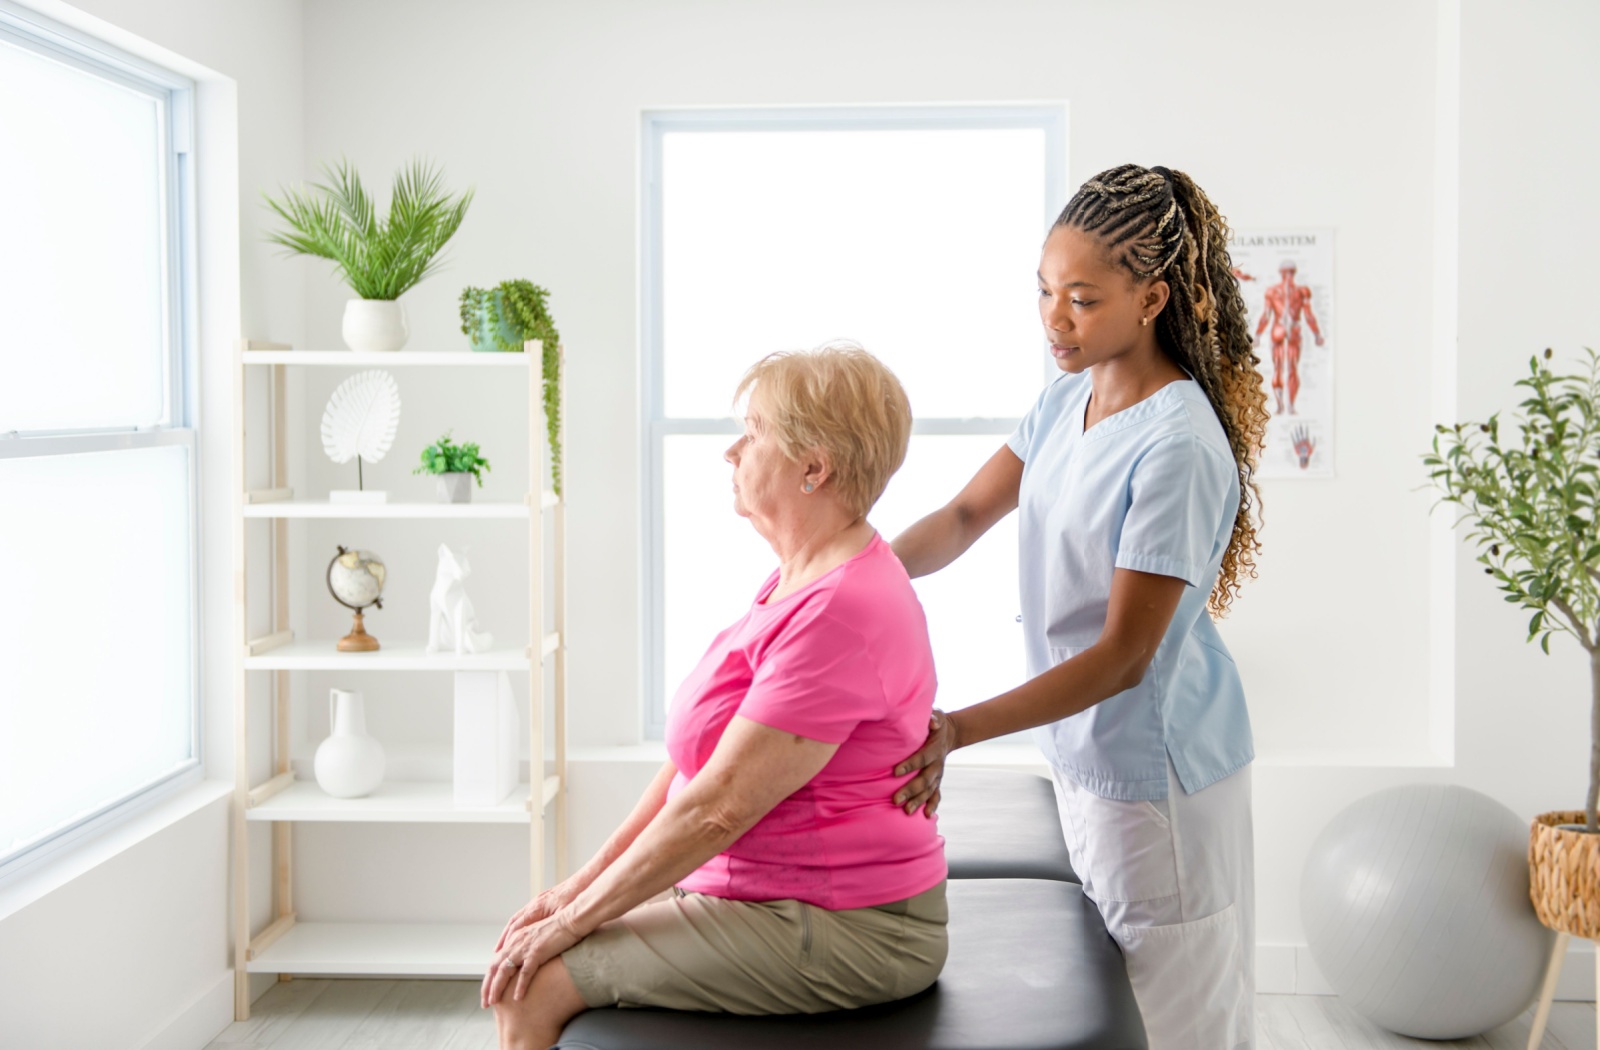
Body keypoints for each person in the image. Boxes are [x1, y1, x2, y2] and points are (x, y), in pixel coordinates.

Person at [889, 163, 1268, 1050]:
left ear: (1152, 299)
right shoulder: (1068, 396)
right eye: (1045, 292)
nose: (1055, 318)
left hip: (1157, 780)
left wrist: (958, 729)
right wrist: (847, 571)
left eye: (1083, 299)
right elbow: (965, 515)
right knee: (1113, 1008)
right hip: (1084, 758)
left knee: (1176, 1023)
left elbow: (1121, 658)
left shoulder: (1177, 444)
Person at [483, 344, 948, 1050]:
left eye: (755, 431)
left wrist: (570, 922)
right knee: (538, 947)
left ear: (813, 468)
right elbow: (692, 772)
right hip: (769, 892)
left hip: (845, 923)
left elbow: (717, 808)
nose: (733, 450)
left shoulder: (839, 610)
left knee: (532, 985)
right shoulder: (802, 578)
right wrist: (573, 890)